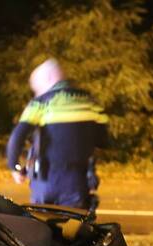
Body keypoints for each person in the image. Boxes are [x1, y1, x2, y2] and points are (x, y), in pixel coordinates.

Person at [6, 58, 109, 210]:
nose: (36, 93)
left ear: (49, 79)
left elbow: (17, 137)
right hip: (77, 182)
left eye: (36, 88)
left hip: (44, 180)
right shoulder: (91, 102)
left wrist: (14, 167)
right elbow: (103, 140)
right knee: (74, 229)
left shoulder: (40, 104)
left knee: (42, 228)